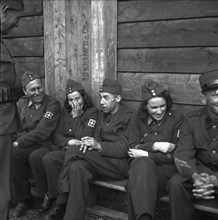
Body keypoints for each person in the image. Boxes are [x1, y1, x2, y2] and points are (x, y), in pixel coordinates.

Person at [48, 78, 134, 220]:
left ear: (118, 98)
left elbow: (124, 148)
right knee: (77, 167)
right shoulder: (101, 115)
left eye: (106, 98)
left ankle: (61, 199)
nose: (101, 102)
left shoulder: (130, 116)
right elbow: (94, 136)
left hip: (119, 165)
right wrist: (91, 143)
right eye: (100, 97)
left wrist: (98, 145)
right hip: (99, 162)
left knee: (75, 150)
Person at [32, 79, 98, 213]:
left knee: (49, 159)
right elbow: (56, 135)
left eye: (77, 98)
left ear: (83, 97)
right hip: (65, 147)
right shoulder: (65, 112)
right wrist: (68, 141)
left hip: (78, 152)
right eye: (70, 100)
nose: (74, 103)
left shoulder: (92, 112)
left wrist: (77, 116)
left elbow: (84, 136)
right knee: (36, 156)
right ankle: (47, 195)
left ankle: (58, 200)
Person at [127, 80, 183, 220]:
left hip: (166, 170)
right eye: (154, 107)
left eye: (162, 106)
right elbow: (132, 148)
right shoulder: (137, 118)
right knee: (141, 165)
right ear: (145, 106)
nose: (159, 111)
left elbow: (176, 155)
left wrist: (146, 153)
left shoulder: (176, 119)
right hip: (142, 168)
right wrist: (155, 146)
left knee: (135, 184)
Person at [168, 69, 218, 220]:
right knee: (176, 184)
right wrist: (195, 177)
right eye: (216, 95)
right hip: (200, 172)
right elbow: (183, 154)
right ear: (203, 99)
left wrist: (214, 180)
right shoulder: (192, 120)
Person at [12, 71, 61, 218]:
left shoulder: (52, 104)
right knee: (14, 156)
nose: (37, 92)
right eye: (32, 89)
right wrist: (18, 139)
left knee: (31, 155)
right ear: (25, 91)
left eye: (39, 88)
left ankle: (45, 197)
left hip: (44, 144)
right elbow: (16, 127)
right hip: (26, 144)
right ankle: (23, 199)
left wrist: (19, 141)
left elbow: (42, 132)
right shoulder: (21, 103)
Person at [0, 0, 23, 219]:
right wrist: (12, 93)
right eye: (16, 18)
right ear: (5, 10)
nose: (16, 25)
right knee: (1, 187)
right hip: (0, 124)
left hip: (4, 122)